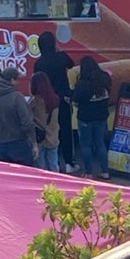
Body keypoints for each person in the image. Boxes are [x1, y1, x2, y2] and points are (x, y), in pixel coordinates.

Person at [33, 32, 77, 171]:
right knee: (65, 130)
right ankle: (69, 162)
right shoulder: (60, 58)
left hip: (45, 101)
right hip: (62, 99)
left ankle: (52, 161)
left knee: (48, 129)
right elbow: (71, 64)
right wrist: (61, 51)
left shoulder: (39, 63)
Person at [0, 67, 38, 166]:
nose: (19, 82)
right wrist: (34, 143)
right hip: (19, 143)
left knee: (6, 178)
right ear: (11, 80)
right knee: (25, 176)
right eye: (17, 79)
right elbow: (27, 123)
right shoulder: (17, 97)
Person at [72, 56, 112, 180]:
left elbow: (75, 100)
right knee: (100, 143)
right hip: (101, 116)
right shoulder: (105, 78)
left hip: (85, 118)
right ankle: (105, 172)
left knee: (86, 145)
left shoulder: (83, 84)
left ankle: (88, 173)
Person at [28, 71, 60, 173]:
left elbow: (28, 118)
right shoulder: (55, 99)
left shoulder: (34, 101)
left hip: (39, 137)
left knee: (40, 166)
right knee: (53, 163)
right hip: (53, 135)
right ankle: (56, 185)